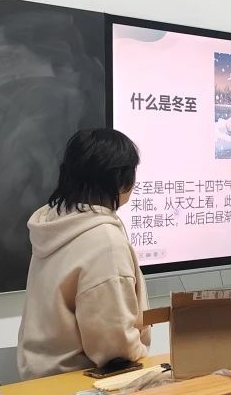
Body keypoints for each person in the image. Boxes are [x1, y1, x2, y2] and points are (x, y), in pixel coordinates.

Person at [17, 128, 150, 380]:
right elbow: (115, 347)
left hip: (38, 382)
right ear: (121, 179)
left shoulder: (54, 220)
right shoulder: (105, 241)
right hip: (84, 385)